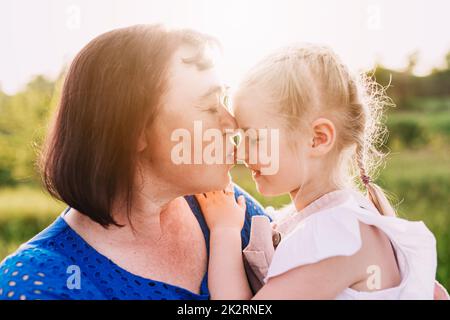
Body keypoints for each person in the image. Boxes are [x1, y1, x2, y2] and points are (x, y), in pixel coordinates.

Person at [195, 44, 445, 299]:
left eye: (255, 138)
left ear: (317, 139)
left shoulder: (336, 237)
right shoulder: (326, 220)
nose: (241, 153)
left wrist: (224, 231)